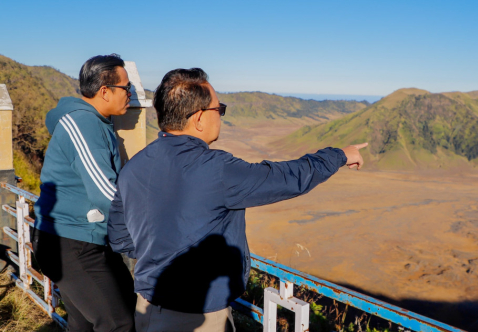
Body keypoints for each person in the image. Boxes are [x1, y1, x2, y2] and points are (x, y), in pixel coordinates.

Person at [108, 68, 366, 332]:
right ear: (198, 119)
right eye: (218, 109)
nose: (220, 116)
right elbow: (286, 178)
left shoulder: (134, 167)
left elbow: (119, 237)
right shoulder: (215, 169)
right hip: (197, 317)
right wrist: (339, 155)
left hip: (146, 309)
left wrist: (161, 255)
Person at [32, 54, 136, 332]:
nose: (131, 94)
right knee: (119, 323)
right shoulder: (83, 123)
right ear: (105, 91)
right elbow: (104, 189)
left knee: (83, 324)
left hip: (81, 239)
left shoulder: (98, 122)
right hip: (70, 242)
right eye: (127, 88)